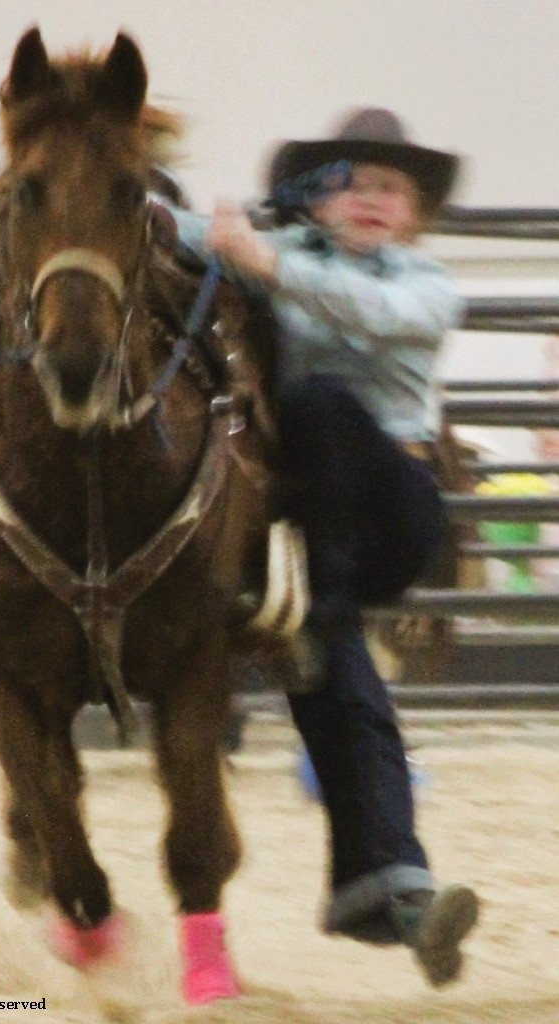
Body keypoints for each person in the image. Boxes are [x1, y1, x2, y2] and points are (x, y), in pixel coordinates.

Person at [169, 108, 479, 987]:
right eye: (352, 181)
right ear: (316, 200)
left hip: (395, 511)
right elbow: (181, 231)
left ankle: (323, 616)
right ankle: (390, 889)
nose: (373, 199)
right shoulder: (280, 256)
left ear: (415, 217)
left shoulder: (427, 286)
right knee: (341, 680)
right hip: (310, 531)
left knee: (320, 405)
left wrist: (260, 260)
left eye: (392, 188)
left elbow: (374, 315)